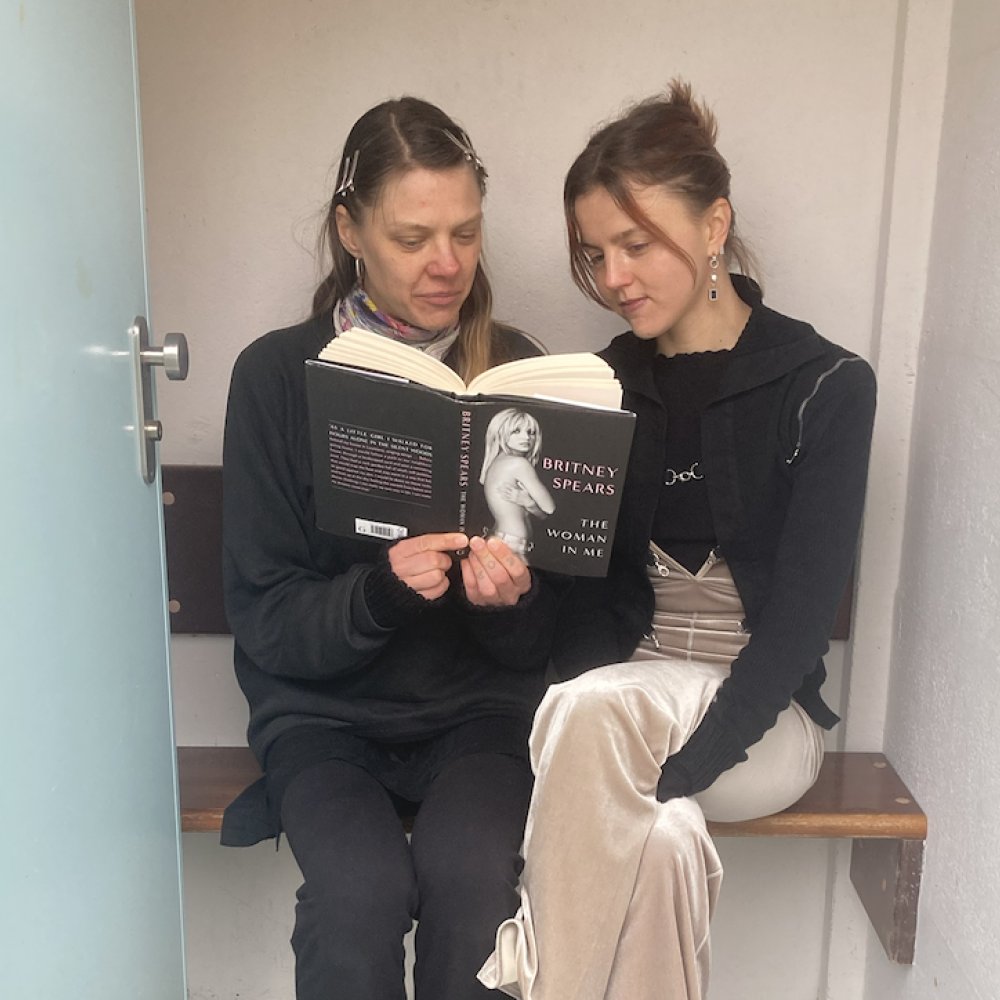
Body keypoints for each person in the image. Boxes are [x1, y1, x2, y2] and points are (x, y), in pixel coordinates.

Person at [478, 81, 877, 1000]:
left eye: (637, 243)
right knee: (657, 838)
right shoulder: (598, 388)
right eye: (595, 253)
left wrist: (686, 767)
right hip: (611, 720)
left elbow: (799, 623)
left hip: (757, 732)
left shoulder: (824, 386)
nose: (614, 277)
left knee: (592, 715)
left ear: (714, 225)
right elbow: (580, 607)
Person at [220, 96, 568, 1000]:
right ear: (351, 232)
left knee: (477, 888)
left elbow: (548, 641)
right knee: (357, 897)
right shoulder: (274, 377)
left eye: (466, 232)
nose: (447, 264)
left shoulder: (519, 373)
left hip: (479, 716)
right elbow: (265, 616)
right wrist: (378, 594)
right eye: (413, 238)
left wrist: (512, 602)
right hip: (323, 720)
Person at [480, 408, 555, 559]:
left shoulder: (495, 462)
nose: (526, 437)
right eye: (516, 431)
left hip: (501, 537)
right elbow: (549, 508)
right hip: (511, 542)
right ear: (501, 433)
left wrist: (527, 502)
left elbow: (543, 514)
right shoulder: (519, 464)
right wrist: (529, 502)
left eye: (531, 432)